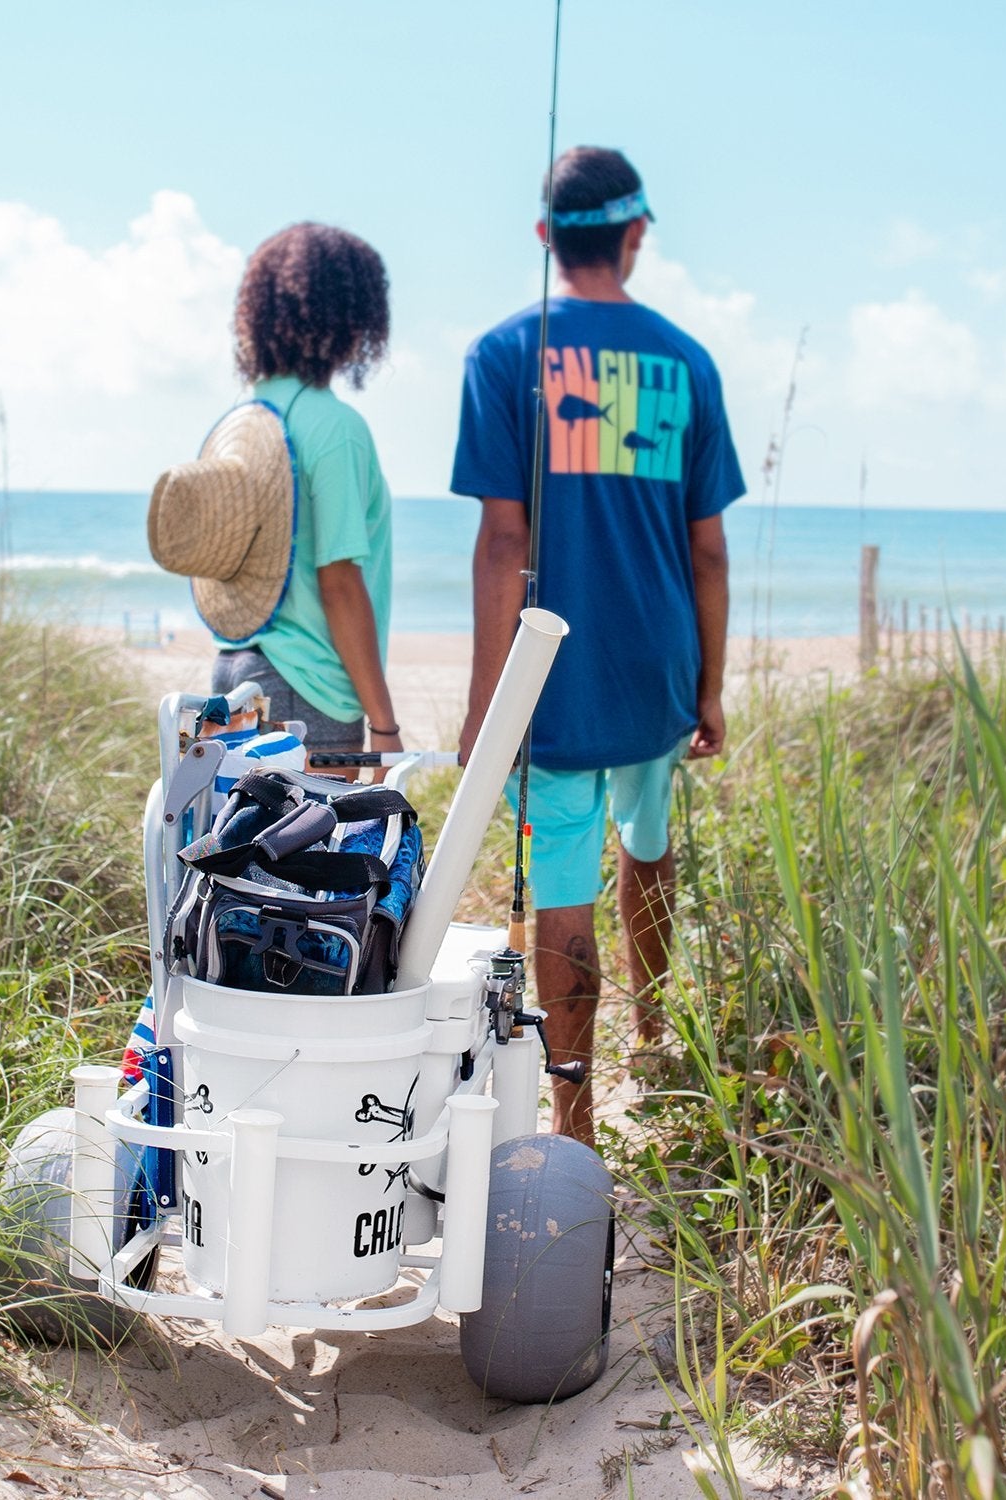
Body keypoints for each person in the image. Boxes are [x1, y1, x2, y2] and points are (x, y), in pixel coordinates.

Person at [451, 147, 744, 1144]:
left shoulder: (502, 357)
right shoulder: (689, 363)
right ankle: (654, 1036)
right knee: (648, 847)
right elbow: (709, 550)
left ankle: (575, 1117)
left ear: (544, 239)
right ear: (636, 234)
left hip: (553, 684)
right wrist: (711, 686)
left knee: (564, 888)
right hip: (659, 669)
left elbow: (503, 541)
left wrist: (489, 704)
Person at [150, 222, 401, 759]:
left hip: (232, 668)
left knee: (233, 843)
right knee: (316, 844)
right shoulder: (336, 427)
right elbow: (338, 581)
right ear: (353, 317)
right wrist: (383, 723)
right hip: (311, 688)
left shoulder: (241, 422)